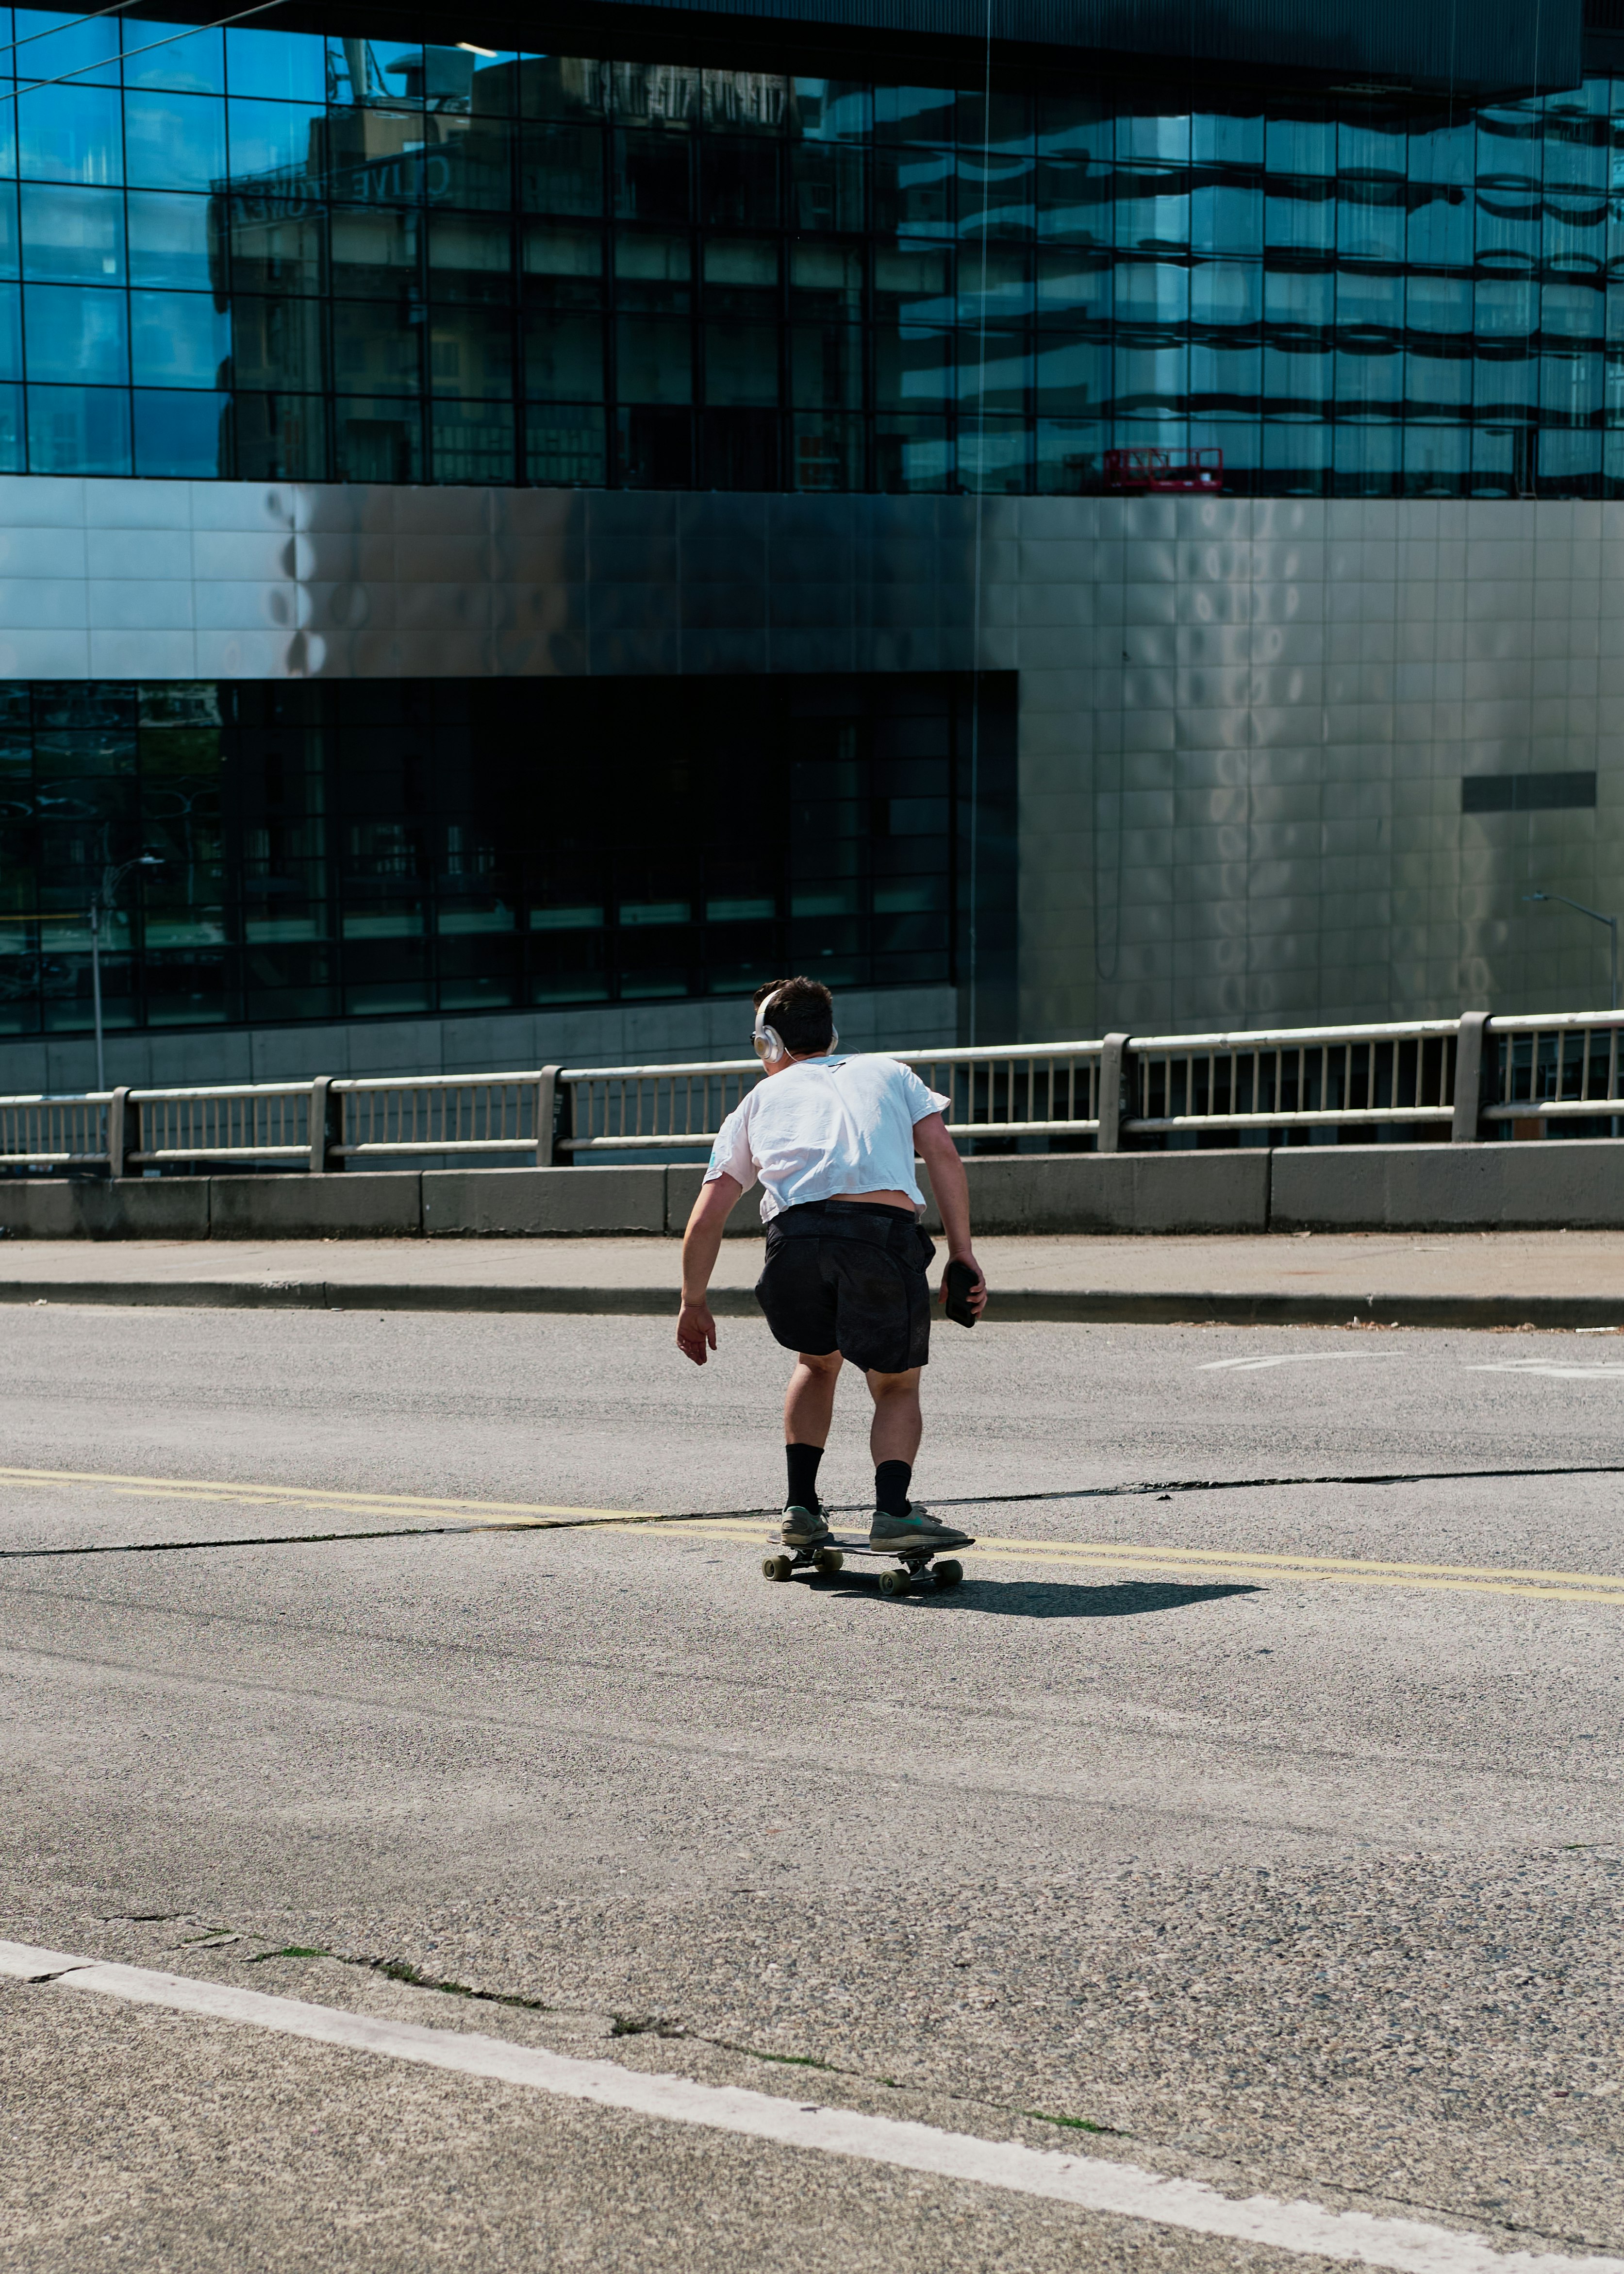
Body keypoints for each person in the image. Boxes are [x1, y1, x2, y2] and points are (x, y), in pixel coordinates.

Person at [676, 975, 987, 1555]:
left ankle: (800, 1509)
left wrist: (694, 1302)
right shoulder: (892, 1073)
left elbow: (706, 1218)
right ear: (832, 1033)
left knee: (816, 1365)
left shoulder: (753, 1104)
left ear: (768, 1044)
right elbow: (942, 1153)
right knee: (895, 1383)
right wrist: (961, 1251)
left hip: (793, 1240)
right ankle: (893, 1512)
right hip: (879, 1238)